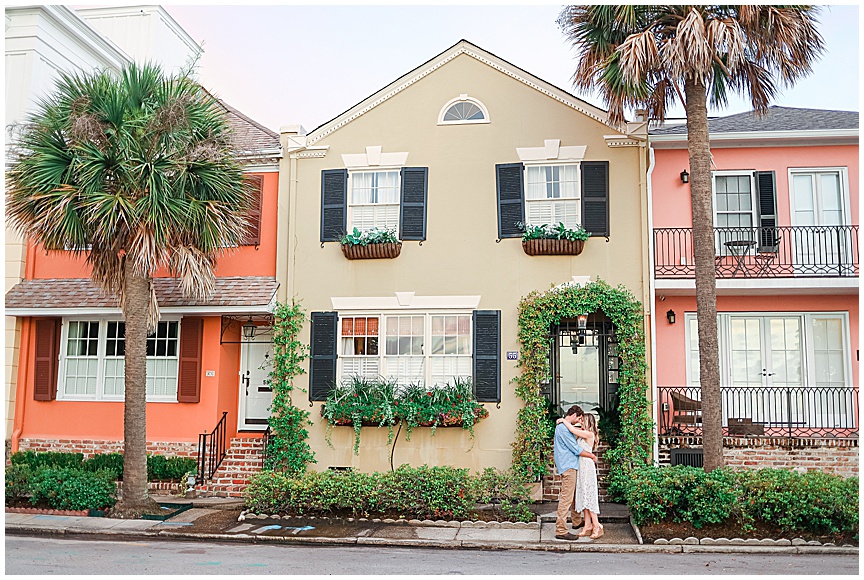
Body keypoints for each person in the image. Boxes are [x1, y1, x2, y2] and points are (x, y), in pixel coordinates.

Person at [553, 405, 597, 540]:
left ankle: (577, 522)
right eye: (579, 418)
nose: (579, 421)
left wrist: (563, 421)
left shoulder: (564, 427)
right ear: (573, 415)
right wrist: (592, 456)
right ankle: (561, 530)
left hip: (571, 465)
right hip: (569, 467)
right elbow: (576, 449)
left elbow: (577, 432)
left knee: (573, 496)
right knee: (566, 498)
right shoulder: (563, 429)